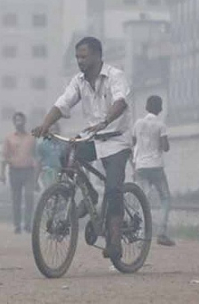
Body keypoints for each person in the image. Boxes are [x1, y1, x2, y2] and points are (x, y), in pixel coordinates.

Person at [32, 36, 132, 260]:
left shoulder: (115, 76)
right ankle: (89, 195)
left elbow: (120, 102)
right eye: (77, 57)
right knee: (67, 153)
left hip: (116, 139)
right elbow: (62, 103)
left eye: (84, 56)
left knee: (114, 189)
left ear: (97, 56)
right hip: (93, 137)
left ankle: (115, 242)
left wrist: (106, 121)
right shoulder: (78, 81)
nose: (80, 61)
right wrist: (45, 125)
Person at [133, 95, 175, 247]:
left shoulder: (137, 124)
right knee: (165, 198)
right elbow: (165, 147)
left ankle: (140, 236)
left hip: (140, 166)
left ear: (146, 107)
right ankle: (162, 233)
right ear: (160, 109)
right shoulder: (160, 125)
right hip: (156, 166)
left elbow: (133, 144)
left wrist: (134, 164)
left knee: (142, 200)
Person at [0, 112, 38, 234]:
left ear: (24, 121)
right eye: (16, 120)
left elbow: (35, 156)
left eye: (20, 120)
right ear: (14, 122)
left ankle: (28, 224)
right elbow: (4, 156)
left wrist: (37, 175)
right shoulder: (9, 138)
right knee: (16, 199)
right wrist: (2, 173)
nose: (19, 122)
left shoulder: (31, 138)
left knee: (29, 197)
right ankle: (17, 225)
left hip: (28, 171)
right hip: (14, 171)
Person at [36, 122, 65, 189]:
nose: (54, 132)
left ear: (59, 131)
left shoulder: (64, 145)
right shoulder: (42, 145)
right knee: (50, 193)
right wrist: (36, 180)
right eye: (52, 130)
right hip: (48, 173)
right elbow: (39, 162)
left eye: (55, 129)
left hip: (61, 173)